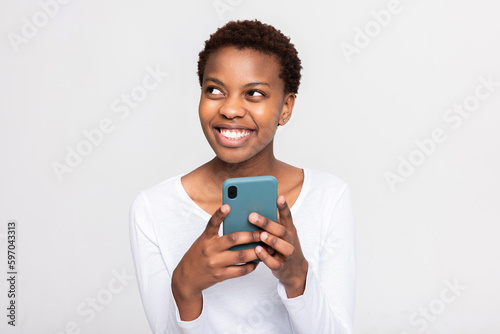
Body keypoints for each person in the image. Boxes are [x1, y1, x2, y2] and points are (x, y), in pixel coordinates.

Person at [130, 19, 355, 334]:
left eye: (254, 94)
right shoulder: (153, 208)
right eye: (215, 90)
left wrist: (297, 277)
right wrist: (185, 288)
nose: (230, 109)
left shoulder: (329, 196)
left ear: (286, 107)